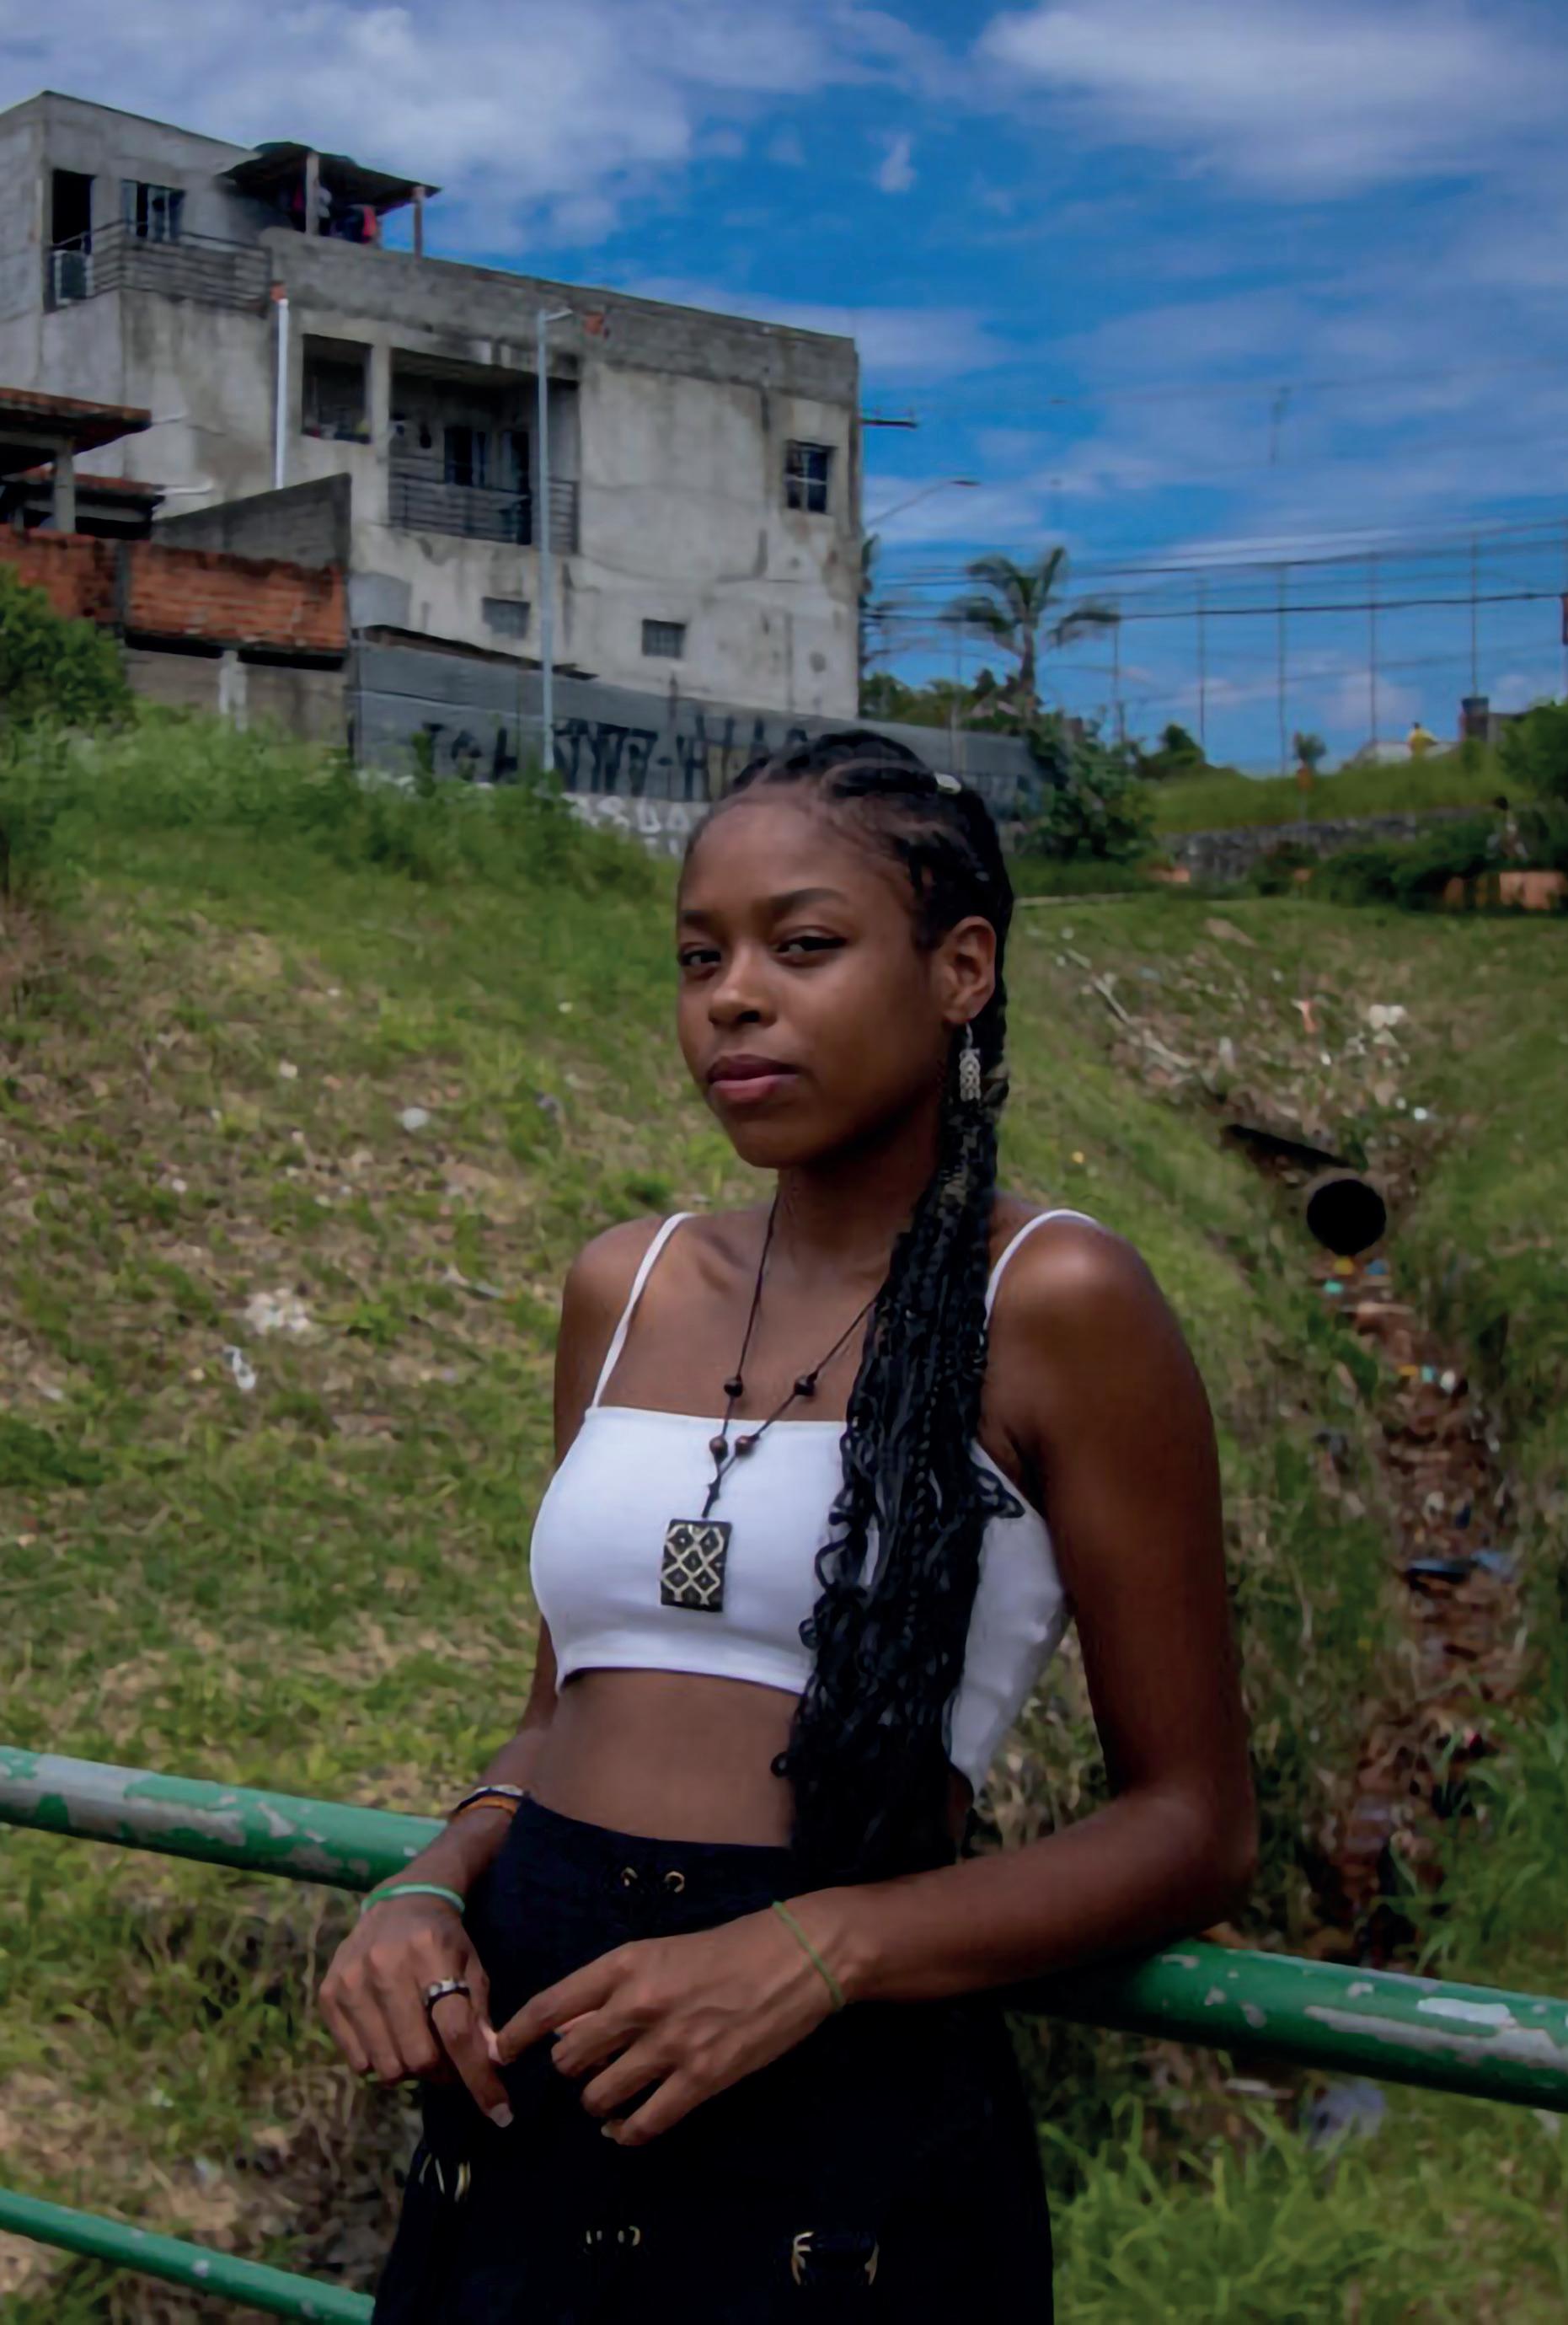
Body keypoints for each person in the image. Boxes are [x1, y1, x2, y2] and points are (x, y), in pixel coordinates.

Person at [321, 731, 1257, 2321]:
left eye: (802, 946)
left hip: (835, 2099)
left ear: (962, 970)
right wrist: (431, 1876)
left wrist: (822, 1951)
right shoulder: (625, 1284)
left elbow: (1194, 1825)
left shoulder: (1056, 1301)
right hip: (534, 2070)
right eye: (701, 957)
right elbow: (562, 1717)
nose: (733, 999)